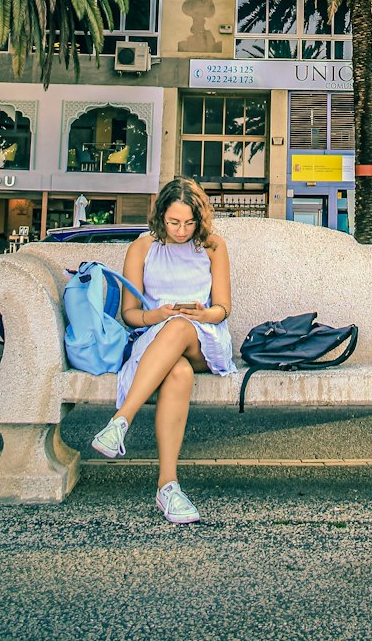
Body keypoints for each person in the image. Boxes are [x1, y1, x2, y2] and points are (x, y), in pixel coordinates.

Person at [90, 177, 235, 524]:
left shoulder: (213, 246)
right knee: (178, 372)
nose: (182, 230)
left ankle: (121, 420)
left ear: (199, 219)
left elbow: (224, 308)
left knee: (182, 326)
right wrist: (156, 314)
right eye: (174, 222)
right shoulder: (141, 248)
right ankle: (168, 487)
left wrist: (203, 313)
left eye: (189, 223)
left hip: (205, 338)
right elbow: (130, 315)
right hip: (156, 338)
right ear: (160, 218)